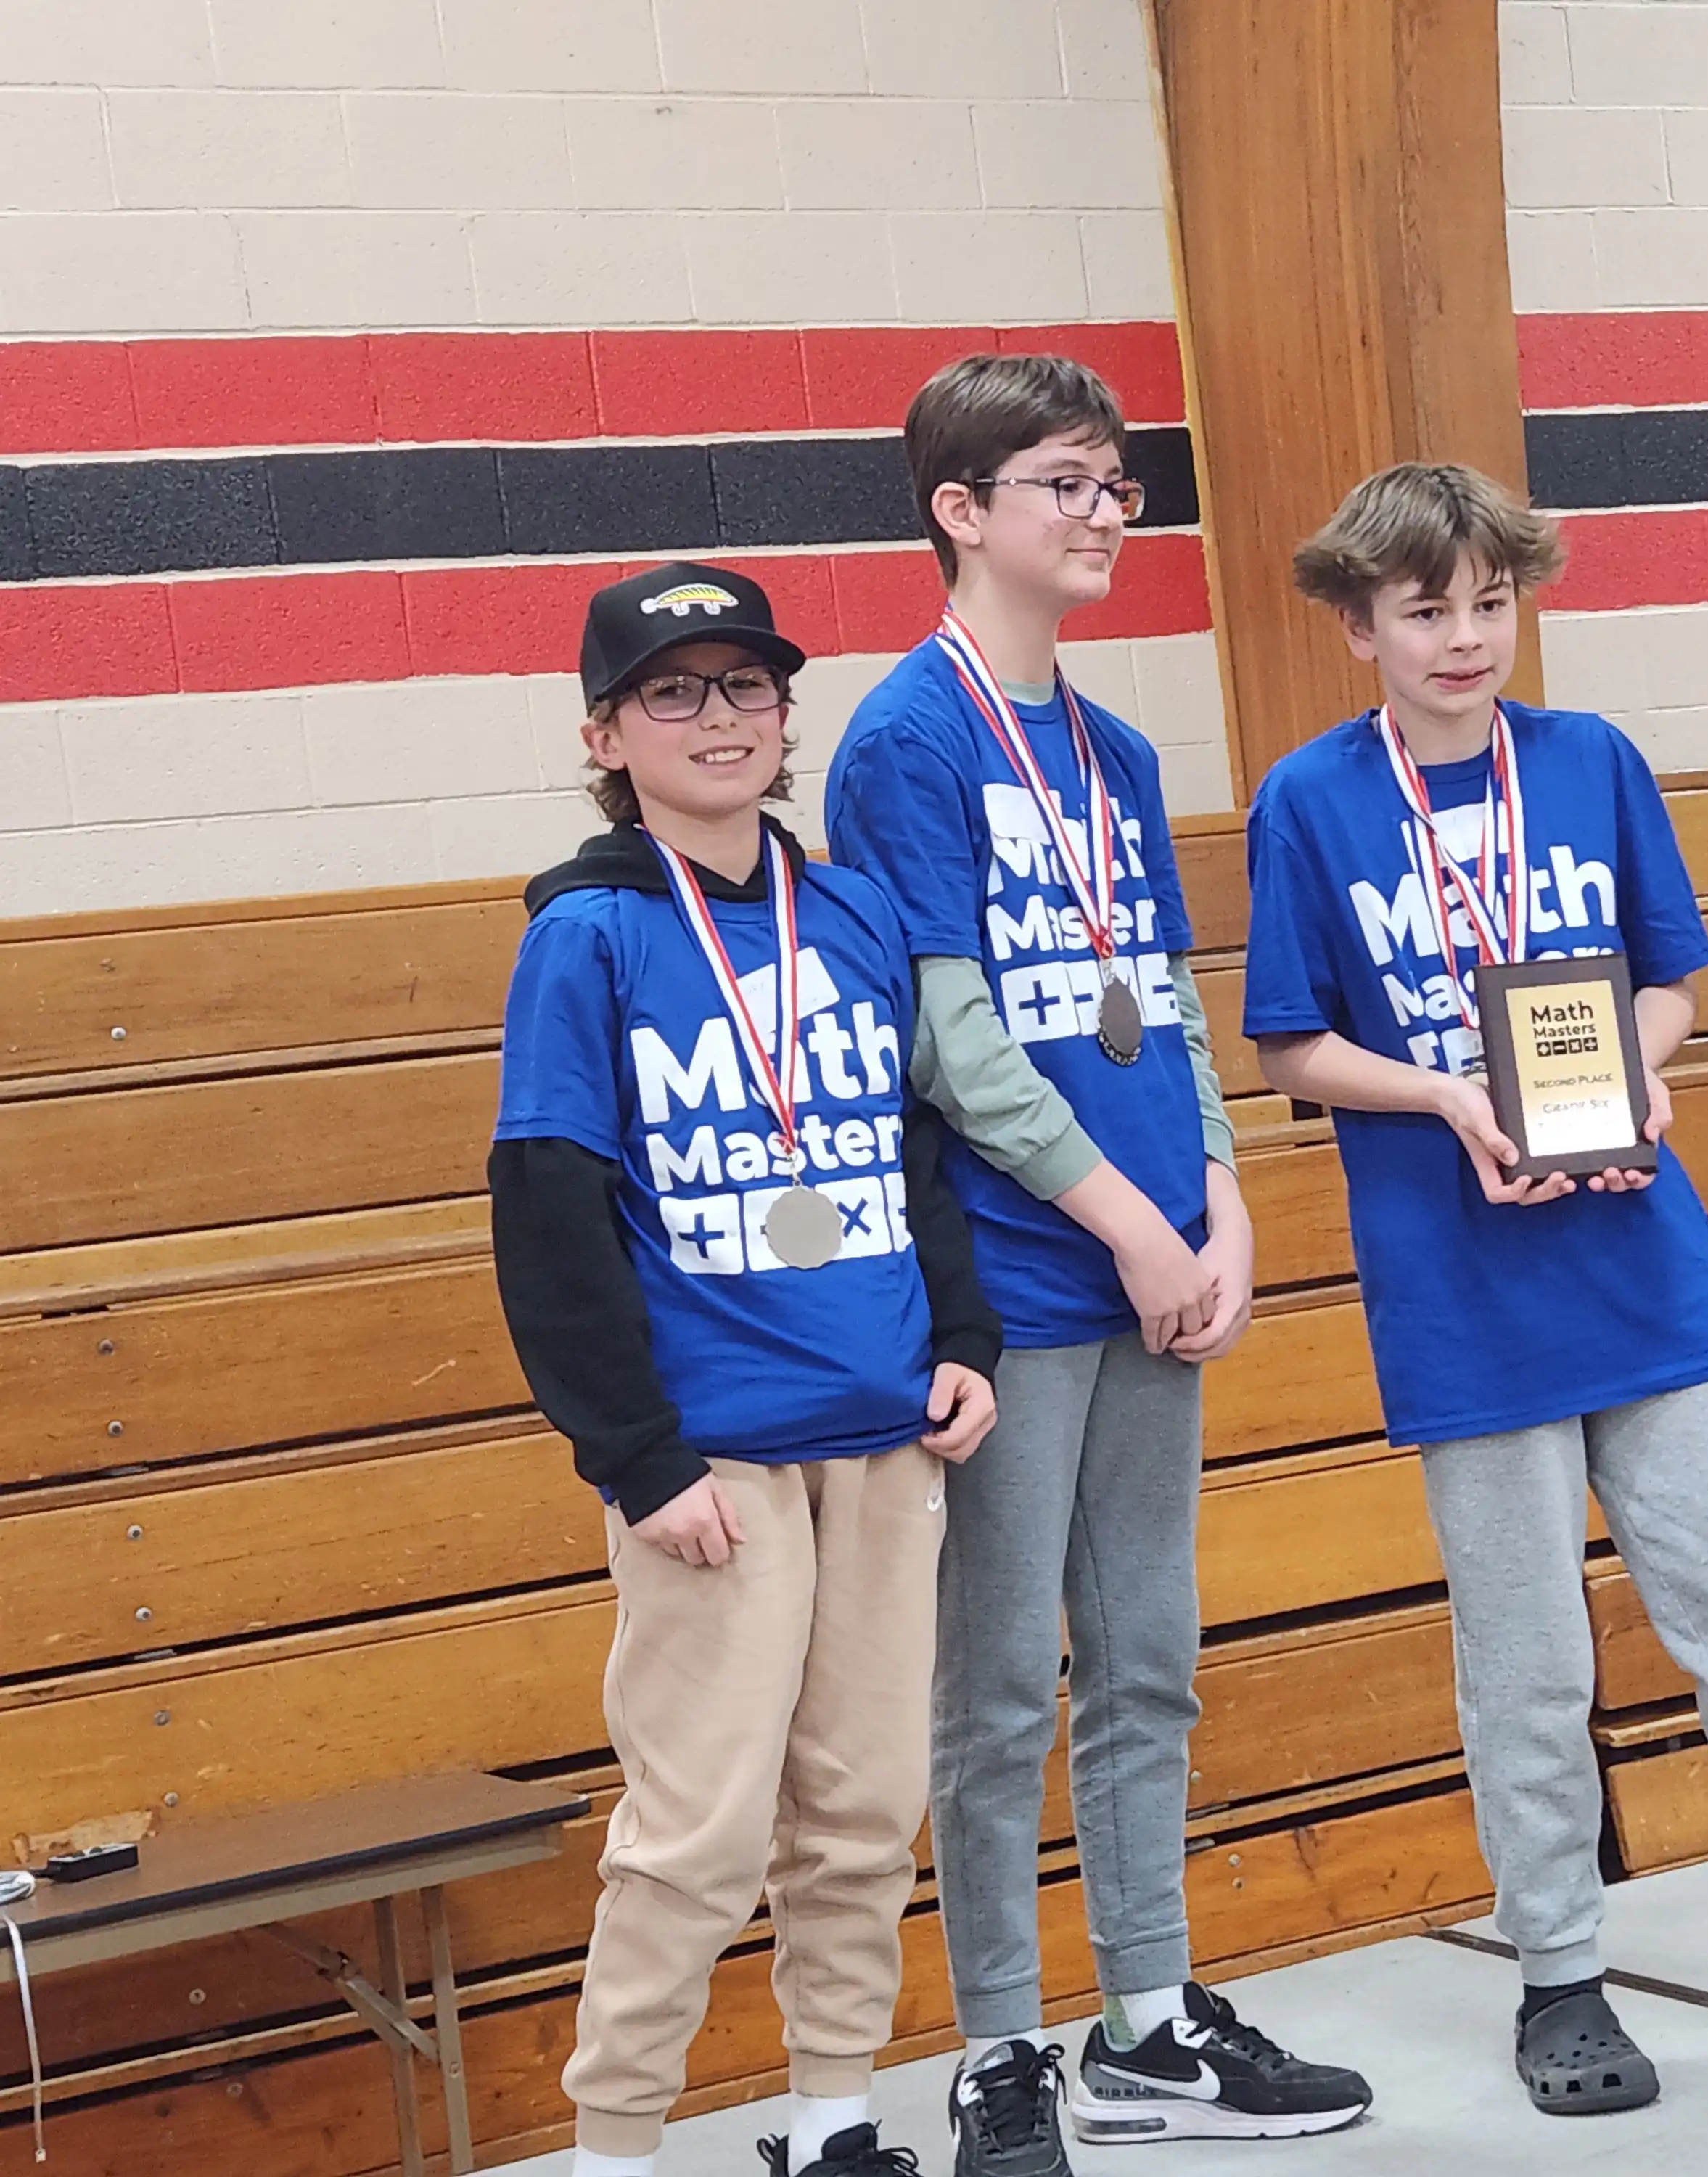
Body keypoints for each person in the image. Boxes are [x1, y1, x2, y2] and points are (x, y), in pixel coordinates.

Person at [1244, 462, 1708, 2119]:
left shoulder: (1591, 761)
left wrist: (1628, 1083)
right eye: (1425, 611)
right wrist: (1447, 1098)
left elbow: (1671, 985)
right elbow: (1289, 1039)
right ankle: (1556, 1975)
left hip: (1647, 1273)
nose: (1466, 636)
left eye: (1492, 602)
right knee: (1527, 1665)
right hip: (1460, 1290)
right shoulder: (1309, 800)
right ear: (1358, 624)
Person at [824, 354, 1369, 2173]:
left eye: (1117, 483)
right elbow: (951, 1039)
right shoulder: (905, 740)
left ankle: (1145, 2020)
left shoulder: (1118, 750)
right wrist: (1127, 1224)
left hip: (1156, 1269)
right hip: (1025, 1283)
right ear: (960, 511)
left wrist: (1214, 1190)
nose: (1103, 511)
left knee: (1148, 1659)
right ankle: (999, 2048)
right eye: (1064, 482)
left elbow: (1170, 1005)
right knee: (996, 1691)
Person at [492, 562, 1005, 2177]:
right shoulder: (588, 938)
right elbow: (548, 1212)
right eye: (672, 693)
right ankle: (615, 2147)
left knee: (863, 1808)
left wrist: (967, 1341)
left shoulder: (848, 905)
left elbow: (917, 1153)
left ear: (787, 716)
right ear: (603, 731)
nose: (717, 719)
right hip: (712, 1464)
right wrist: (638, 1458)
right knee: (699, 1831)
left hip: (881, 1433)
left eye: (745, 688)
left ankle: (836, 2116)